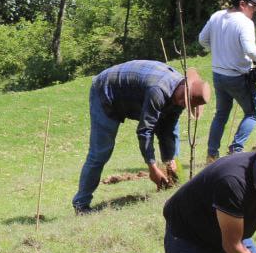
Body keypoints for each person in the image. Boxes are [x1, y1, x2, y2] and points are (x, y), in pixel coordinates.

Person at [71, 60, 210, 214]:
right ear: (184, 84)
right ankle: (81, 204)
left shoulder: (180, 98)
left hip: (133, 97)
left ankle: (173, 180)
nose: (182, 103)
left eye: (187, 104)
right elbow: (145, 131)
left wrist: (169, 160)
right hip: (106, 91)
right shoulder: (158, 90)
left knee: (172, 134)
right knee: (100, 152)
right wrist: (152, 167)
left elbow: (168, 129)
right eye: (183, 98)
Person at [200, 0, 256, 162]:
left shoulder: (217, 16)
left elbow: (202, 40)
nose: (255, 10)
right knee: (253, 113)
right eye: (253, 5)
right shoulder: (244, 22)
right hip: (237, 76)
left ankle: (212, 154)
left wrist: (217, 50)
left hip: (218, 74)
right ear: (242, 4)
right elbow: (250, 49)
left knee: (221, 114)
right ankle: (236, 149)